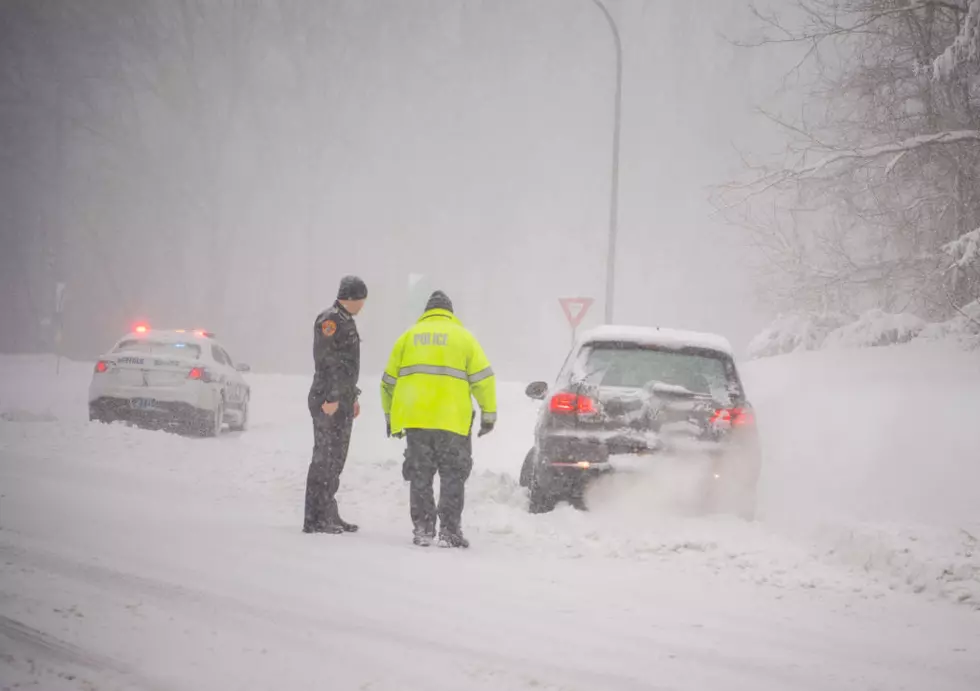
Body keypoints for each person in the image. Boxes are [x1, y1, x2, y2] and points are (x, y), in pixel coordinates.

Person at [380, 290, 496, 548]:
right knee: (453, 475)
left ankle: (423, 528)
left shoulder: (407, 338)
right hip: (453, 421)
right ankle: (449, 531)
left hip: (416, 420)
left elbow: (388, 383)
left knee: (420, 474)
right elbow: (484, 380)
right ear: (450, 312)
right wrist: (488, 416)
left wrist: (390, 417)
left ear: (427, 312)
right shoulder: (464, 338)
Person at [303, 275, 367, 534]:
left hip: (341, 400)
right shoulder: (329, 320)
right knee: (324, 458)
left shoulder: (346, 321)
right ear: (350, 298)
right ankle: (315, 518)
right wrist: (331, 398)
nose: (363, 305)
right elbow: (327, 360)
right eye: (361, 300)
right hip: (327, 400)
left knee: (336, 459)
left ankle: (328, 510)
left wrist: (352, 398)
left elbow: (347, 368)